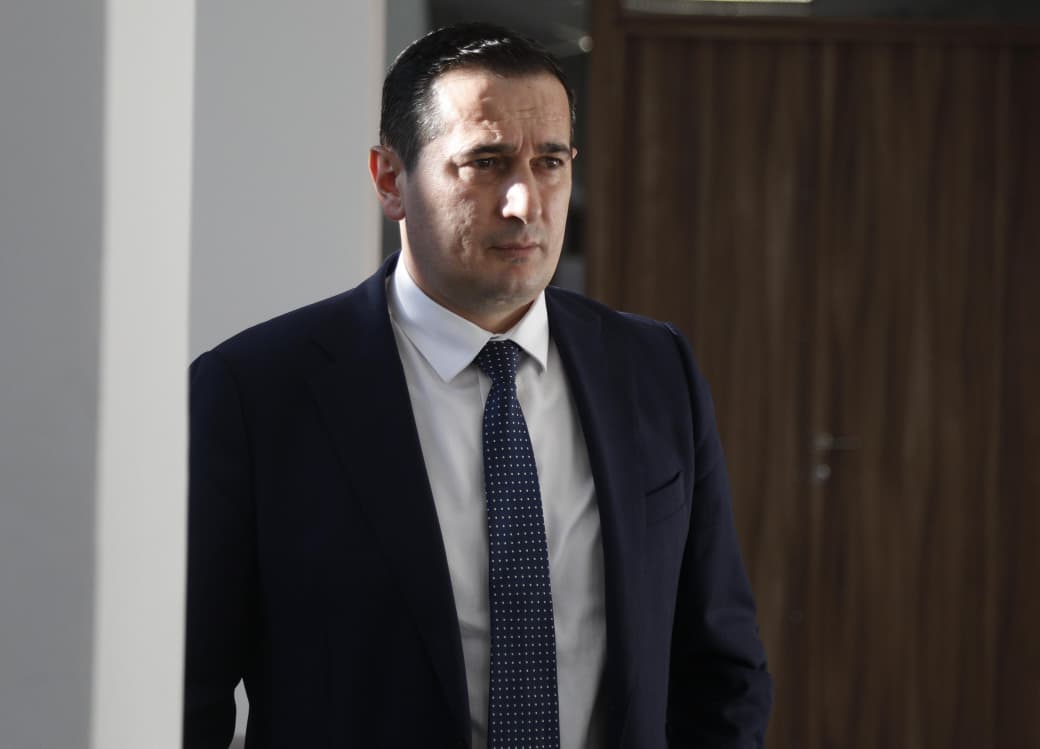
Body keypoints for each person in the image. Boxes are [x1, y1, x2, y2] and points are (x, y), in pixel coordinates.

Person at [184, 22, 772, 749]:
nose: (526, 202)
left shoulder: (654, 370)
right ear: (390, 180)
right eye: (486, 163)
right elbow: (188, 690)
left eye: (550, 162)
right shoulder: (255, 394)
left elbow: (721, 665)